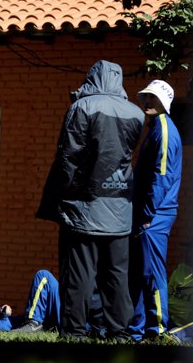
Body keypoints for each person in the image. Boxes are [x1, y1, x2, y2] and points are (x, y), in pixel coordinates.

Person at [36, 60, 144, 340]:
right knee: (117, 277)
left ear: (93, 77)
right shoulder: (136, 113)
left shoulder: (82, 107)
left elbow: (68, 158)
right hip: (121, 210)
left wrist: (60, 199)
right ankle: (119, 332)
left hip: (84, 208)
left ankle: (74, 332)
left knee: (79, 276)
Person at [128, 80, 183, 342]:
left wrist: (147, 216)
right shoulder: (155, 128)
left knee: (152, 272)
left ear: (164, 102)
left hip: (155, 216)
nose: (147, 101)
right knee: (141, 273)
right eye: (146, 97)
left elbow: (160, 177)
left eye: (152, 97)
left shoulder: (163, 128)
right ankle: (138, 329)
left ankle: (158, 328)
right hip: (150, 215)